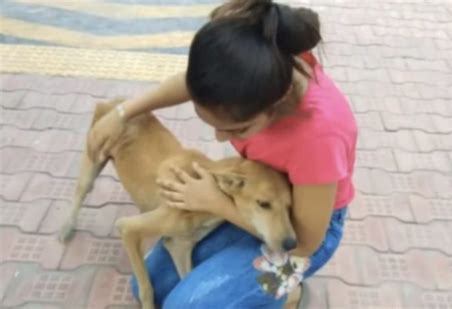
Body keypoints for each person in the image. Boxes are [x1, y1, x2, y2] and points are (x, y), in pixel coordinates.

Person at [88, 1, 357, 308]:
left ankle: (287, 292)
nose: (220, 137)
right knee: (146, 287)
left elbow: (305, 243)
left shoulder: (318, 136)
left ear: (277, 102)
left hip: (303, 236)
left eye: (238, 129)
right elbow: (193, 84)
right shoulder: (248, 61)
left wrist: (213, 202)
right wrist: (123, 113)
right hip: (250, 199)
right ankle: (258, 286)